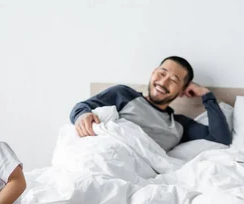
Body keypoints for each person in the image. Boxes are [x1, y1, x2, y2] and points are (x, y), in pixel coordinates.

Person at [69, 56, 232, 151]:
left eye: (174, 80)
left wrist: (206, 95)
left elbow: (221, 138)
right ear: (153, 73)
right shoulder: (123, 94)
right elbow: (81, 107)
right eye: (161, 73)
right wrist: (83, 115)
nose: (163, 82)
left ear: (182, 90)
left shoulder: (179, 126)